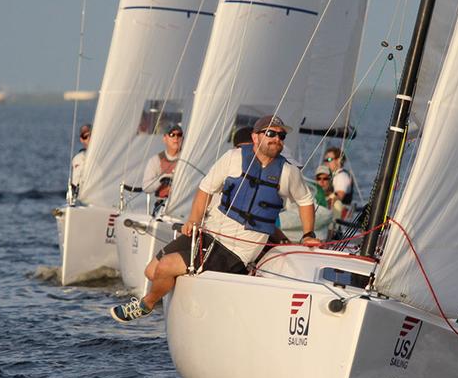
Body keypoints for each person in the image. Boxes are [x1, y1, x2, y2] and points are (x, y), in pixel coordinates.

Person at [110, 115, 321, 322]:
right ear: (255, 137)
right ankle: (183, 296)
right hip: (210, 233)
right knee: (151, 271)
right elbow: (205, 189)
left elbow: (305, 200)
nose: (277, 139)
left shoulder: (288, 172)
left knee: (165, 267)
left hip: (237, 250)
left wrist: (308, 234)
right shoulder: (233, 158)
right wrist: (193, 219)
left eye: (281, 135)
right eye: (271, 133)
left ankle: (146, 305)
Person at [141, 123, 183, 199]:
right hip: (162, 206)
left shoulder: (187, 159)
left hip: (183, 205)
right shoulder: (156, 160)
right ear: (164, 139)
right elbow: (146, 187)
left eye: (179, 135)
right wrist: (161, 180)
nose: (176, 138)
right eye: (171, 134)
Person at [323, 146, 356, 219]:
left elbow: (339, 197)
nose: (326, 163)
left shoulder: (341, 176)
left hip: (339, 218)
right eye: (325, 160)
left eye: (329, 159)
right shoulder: (333, 176)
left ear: (338, 160)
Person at [69, 123, 91, 200]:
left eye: (91, 135)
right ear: (81, 139)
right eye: (85, 136)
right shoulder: (79, 158)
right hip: (85, 198)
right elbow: (76, 183)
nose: (88, 138)